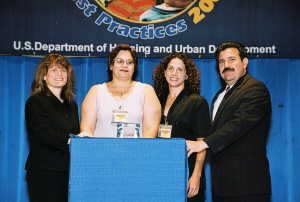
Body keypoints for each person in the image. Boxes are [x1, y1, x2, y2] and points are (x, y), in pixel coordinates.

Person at [186, 41, 272, 202]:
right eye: (221, 61)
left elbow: (239, 124)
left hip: (247, 186)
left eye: (232, 59)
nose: (226, 65)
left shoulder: (255, 89)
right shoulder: (219, 96)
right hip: (222, 186)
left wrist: (203, 143)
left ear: (244, 62)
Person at [153, 52, 210, 202]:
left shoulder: (197, 102)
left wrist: (196, 175)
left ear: (186, 75)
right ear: (164, 73)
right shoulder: (155, 100)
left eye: (180, 69)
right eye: (171, 68)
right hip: (161, 173)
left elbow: (202, 142)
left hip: (187, 173)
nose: (174, 73)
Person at [25, 53, 80, 202]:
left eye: (63, 70)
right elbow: (44, 134)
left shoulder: (72, 105)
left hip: (69, 172)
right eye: (54, 70)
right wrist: (71, 141)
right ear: (43, 75)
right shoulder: (35, 102)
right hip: (44, 172)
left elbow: (76, 133)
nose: (59, 74)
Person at [80, 44, 161, 138]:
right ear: (111, 65)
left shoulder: (146, 91)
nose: (125, 65)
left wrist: (139, 151)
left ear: (134, 67)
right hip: (101, 151)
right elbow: (87, 129)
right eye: (119, 61)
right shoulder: (96, 91)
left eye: (129, 62)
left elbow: (151, 129)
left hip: (136, 151)